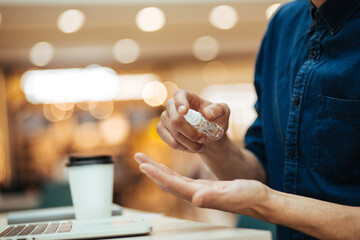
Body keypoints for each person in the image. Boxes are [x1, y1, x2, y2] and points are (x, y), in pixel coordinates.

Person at [134, 0, 360, 239]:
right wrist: (210, 140)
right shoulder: (283, 24)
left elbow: (267, 195)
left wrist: (270, 204)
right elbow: (261, 170)